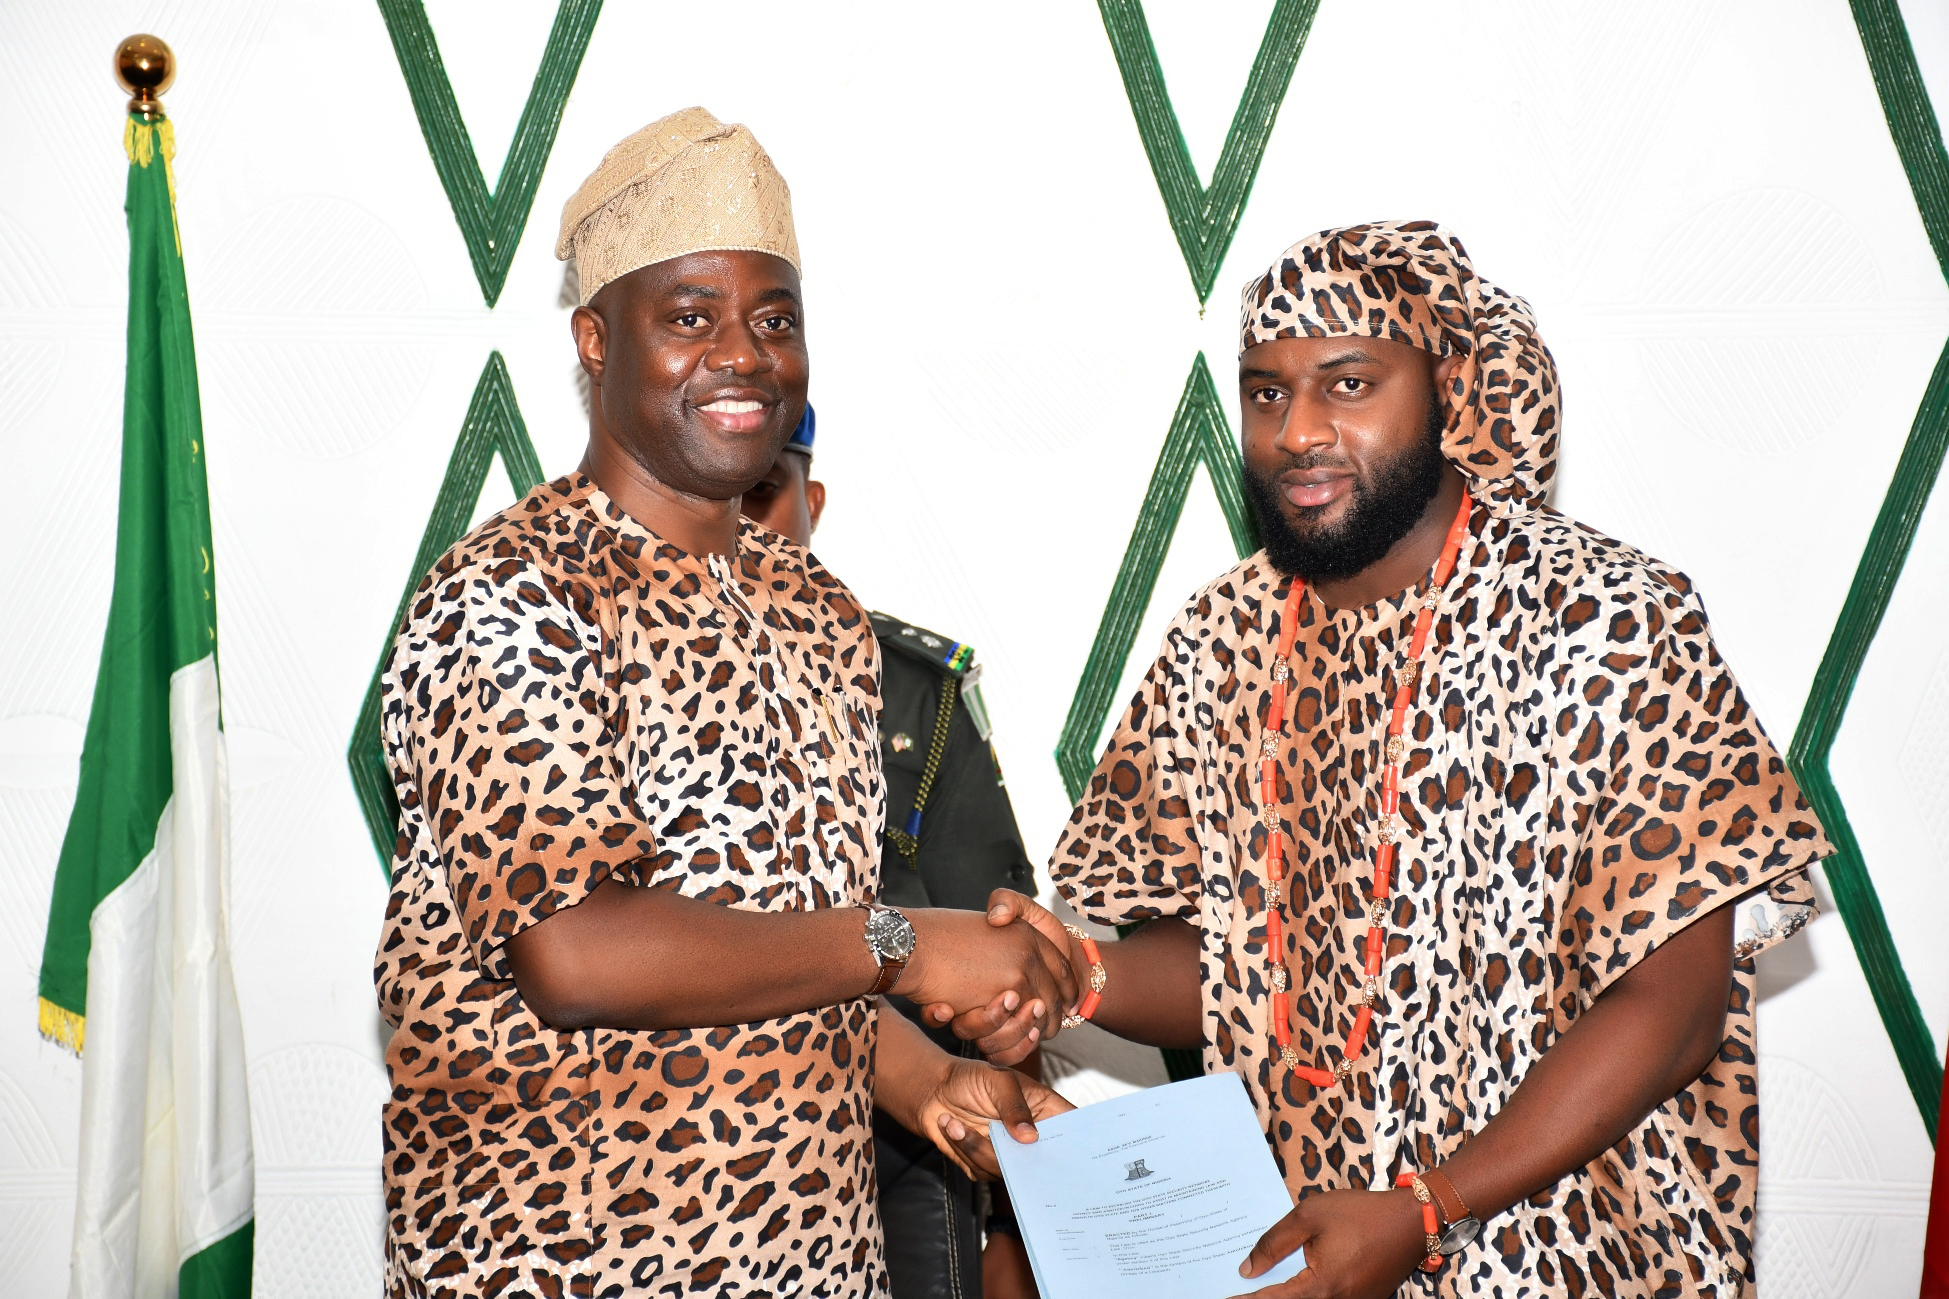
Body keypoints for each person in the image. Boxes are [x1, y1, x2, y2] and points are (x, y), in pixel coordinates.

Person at [949, 221, 1826, 1298]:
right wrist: (1074, 977)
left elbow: (1670, 1008)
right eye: (1266, 393)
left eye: (1348, 383)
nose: (1297, 431)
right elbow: (1236, 976)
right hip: (1296, 1260)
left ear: (1448, 386)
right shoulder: (1220, 638)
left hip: (1568, 1257)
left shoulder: (1606, 619)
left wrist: (1427, 1209)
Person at [372, 107, 1075, 1299]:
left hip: (815, 1267)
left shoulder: (817, 610)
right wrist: (909, 949)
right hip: (563, 1262)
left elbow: (783, 945)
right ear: (596, 340)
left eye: (773, 319)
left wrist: (927, 1085)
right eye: (689, 318)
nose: (742, 354)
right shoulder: (512, 594)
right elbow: (575, 953)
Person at [743, 411, 1041, 1299]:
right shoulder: (584, 659)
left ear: (812, 502)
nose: (736, 518)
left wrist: (1017, 1228)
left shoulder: (906, 689)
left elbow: (1000, 966)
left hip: (897, 1154)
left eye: (761, 491)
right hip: (658, 1139)